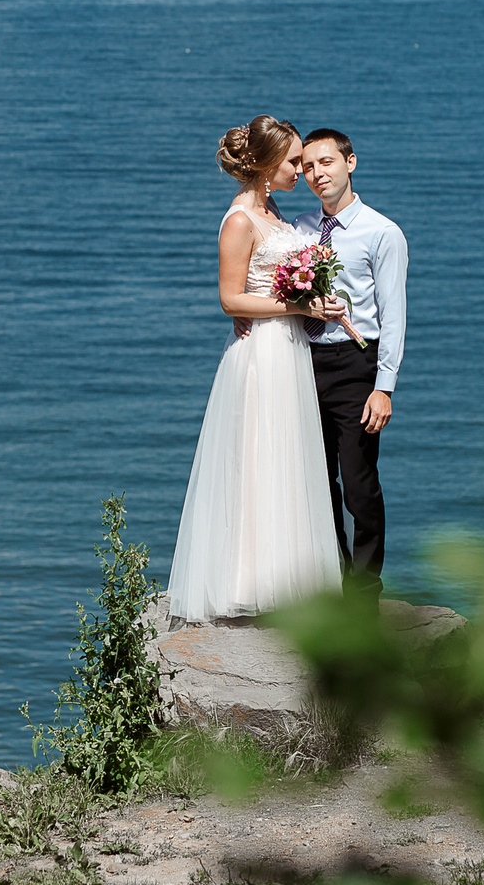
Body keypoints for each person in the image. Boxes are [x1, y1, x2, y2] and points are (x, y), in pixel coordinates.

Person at [166, 116, 349, 623]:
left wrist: (313, 297)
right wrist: (299, 308)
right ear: (267, 165)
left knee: (289, 456)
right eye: (293, 161)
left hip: (288, 348)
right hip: (262, 353)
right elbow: (229, 299)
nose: (303, 170)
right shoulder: (240, 221)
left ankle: (291, 583)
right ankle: (250, 581)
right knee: (260, 457)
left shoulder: (272, 210)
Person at [296, 128, 407, 593]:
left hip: (355, 365)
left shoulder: (382, 232)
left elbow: (394, 315)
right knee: (316, 483)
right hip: (301, 362)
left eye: (326, 162)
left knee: (360, 484)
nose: (317, 174)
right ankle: (333, 581)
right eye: (307, 167)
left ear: (350, 163)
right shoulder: (298, 228)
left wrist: (384, 387)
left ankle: (364, 592)